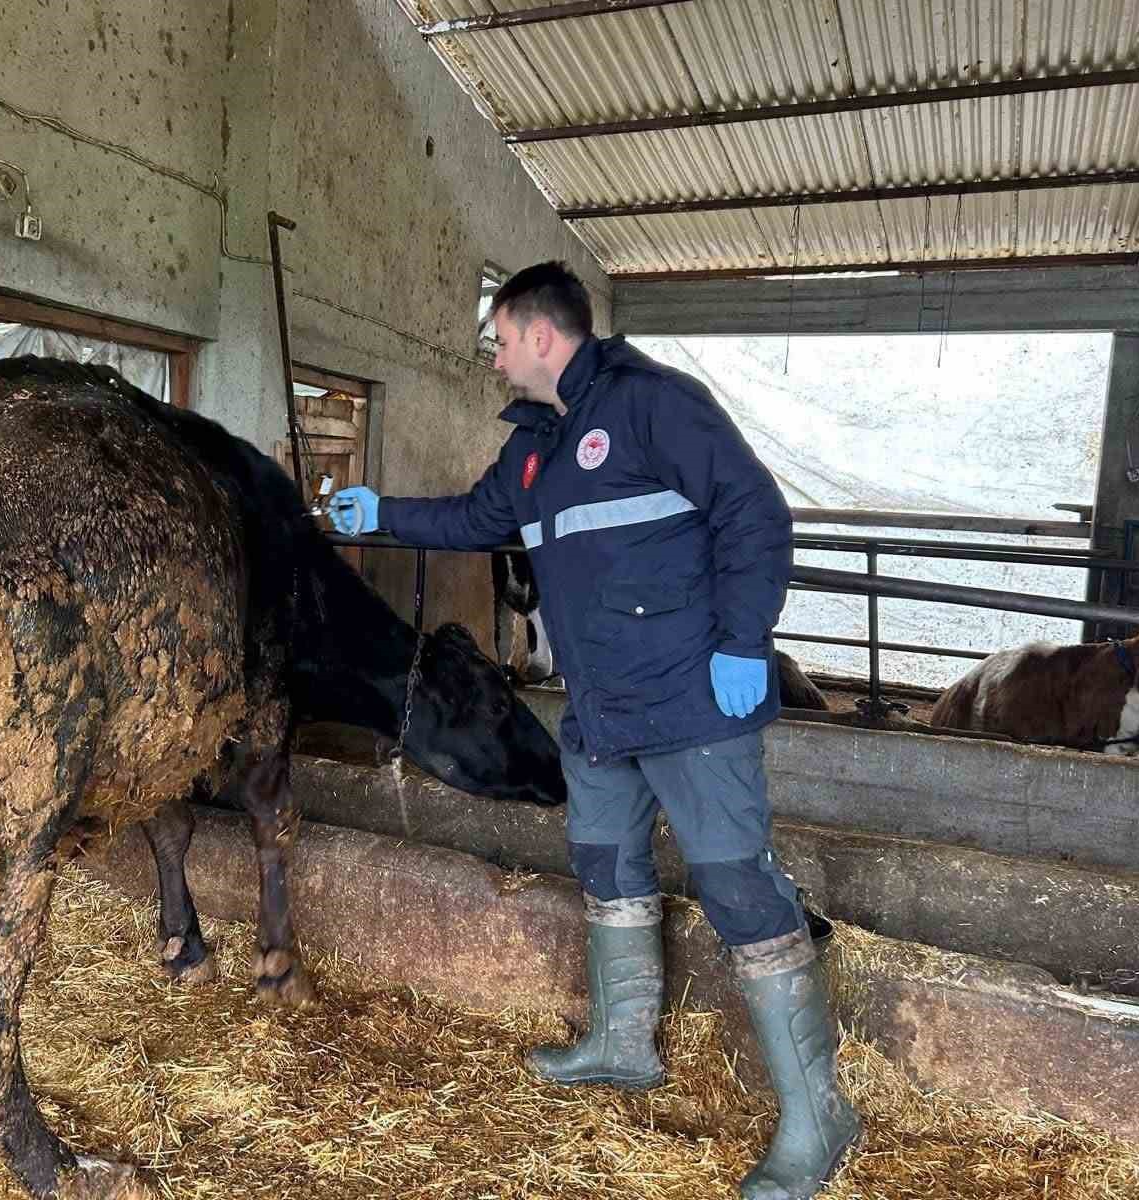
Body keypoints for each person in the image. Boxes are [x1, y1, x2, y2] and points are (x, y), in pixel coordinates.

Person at [328, 261, 859, 1200]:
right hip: (602, 709)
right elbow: (475, 518)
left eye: (499, 339)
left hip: (691, 700)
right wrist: (381, 516)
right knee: (605, 863)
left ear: (541, 334)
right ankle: (623, 1045)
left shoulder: (654, 404)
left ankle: (819, 1118)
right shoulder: (534, 446)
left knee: (737, 888)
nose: (494, 358)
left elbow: (754, 512)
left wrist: (746, 641)